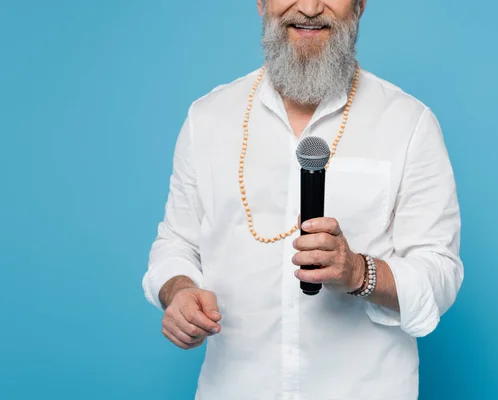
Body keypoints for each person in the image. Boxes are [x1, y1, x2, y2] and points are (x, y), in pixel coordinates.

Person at [142, 0, 464, 399]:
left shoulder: (409, 123)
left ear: (361, 5)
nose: (310, 7)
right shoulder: (207, 118)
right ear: (261, 3)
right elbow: (176, 243)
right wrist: (178, 291)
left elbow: (440, 276)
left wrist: (359, 272)